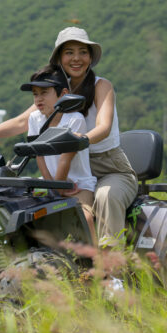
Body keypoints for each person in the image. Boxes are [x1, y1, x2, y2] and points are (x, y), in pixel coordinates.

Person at [0, 27, 137, 249]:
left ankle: (111, 268)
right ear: (59, 58)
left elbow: (103, 127)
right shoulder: (52, 89)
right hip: (66, 168)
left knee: (107, 196)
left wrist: (79, 140)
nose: (76, 58)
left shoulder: (101, 85)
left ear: (90, 57)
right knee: (17, 194)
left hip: (107, 166)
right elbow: (22, 122)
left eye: (82, 52)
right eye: (69, 52)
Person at [20, 66, 98, 243]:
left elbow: (65, 159)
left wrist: (58, 188)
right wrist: (52, 187)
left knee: (85, 218)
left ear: (63, 94)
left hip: (78, 184)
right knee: (21, 209)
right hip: (51, 183)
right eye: (35, 94)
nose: (38, 99)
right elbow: (38, 154)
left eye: (44, 93)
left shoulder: (74, 119)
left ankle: (97, 262)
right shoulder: (35, 118)